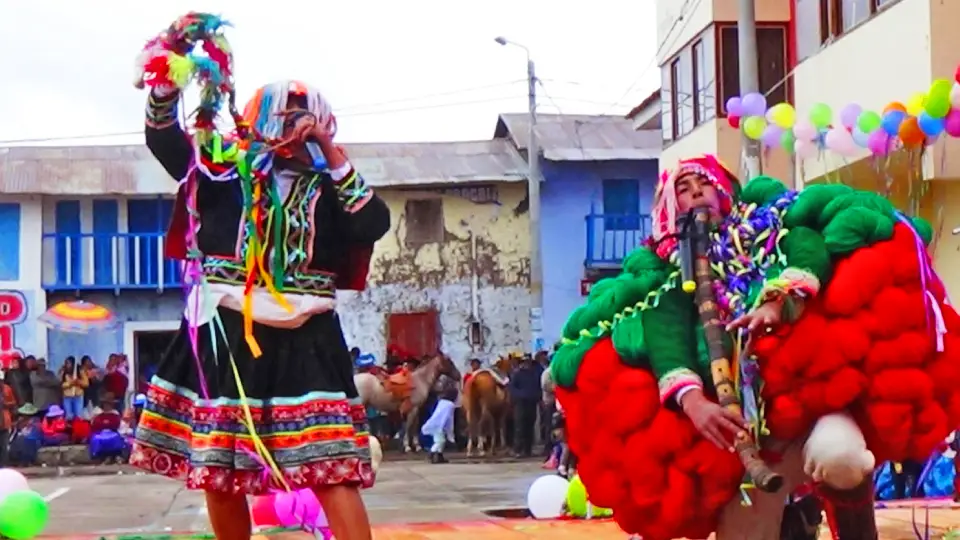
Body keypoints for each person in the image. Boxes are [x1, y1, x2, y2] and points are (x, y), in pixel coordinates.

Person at [549, 155, 960, 540]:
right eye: (683, 188)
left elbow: (807, 251)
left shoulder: (774, 226)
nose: (694, 192)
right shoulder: (669, 280)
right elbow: (666, 334)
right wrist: (692, 401)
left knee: (841, 457)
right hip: (751, 440)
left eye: (702, 183)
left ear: (724, 191)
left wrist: (780, 301)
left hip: (815, 407)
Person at [129, 14, 390, 540]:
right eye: (284, 115)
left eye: (306, 117)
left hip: (310, 340)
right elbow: (164, 140)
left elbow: (373, 221)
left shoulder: (331, 187)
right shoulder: (222, 171)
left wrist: (331, 154)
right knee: (222, 472)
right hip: (229, 334)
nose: (293, 125)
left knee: (333, 468)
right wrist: (164, 76)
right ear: (258, 118)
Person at [507, 355, 541, 458]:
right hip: (520, 403)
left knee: (529, 427)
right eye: (525, 362)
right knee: (519, 427)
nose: (527, 364)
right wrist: (520, 395)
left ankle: (528, 449)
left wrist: (536, 396)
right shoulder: (517, 374)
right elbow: (512, 388)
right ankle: (518, 449)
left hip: (532, 402)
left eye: (529, 362)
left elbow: (538, 387)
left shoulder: (534, 374)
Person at [420, 386, 457, 464]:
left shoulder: (441, 402)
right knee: (440, 441)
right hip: (439, 425)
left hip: (435, 423)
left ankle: (439, 455)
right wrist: (449, 429)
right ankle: (432, 453)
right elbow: (448, 417)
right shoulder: (450, 405)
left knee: (441, 441)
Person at [0, 375, 15, 465]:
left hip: (5, 421)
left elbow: (13, 402)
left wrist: (6, 404)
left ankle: (4, 466)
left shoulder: (7, 389)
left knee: (3, 446)